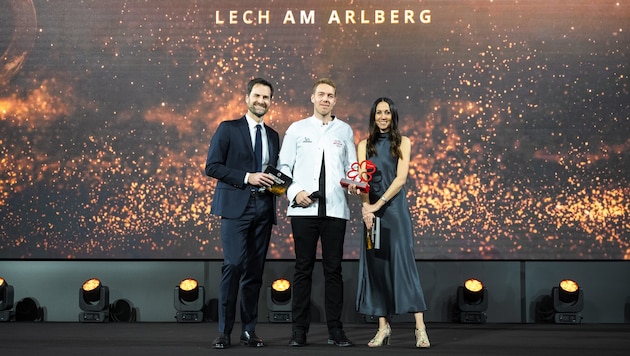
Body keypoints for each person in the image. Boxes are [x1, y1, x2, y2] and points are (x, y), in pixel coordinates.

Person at [277, 78, 357, 347]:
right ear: (312, 98)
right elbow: (284, 166)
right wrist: (294, 192)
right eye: (321, 94)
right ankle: (299, 330)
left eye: (330, 95)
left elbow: (352, 169)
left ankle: (336, 330)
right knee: (303, 270)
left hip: (335, 211)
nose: (325, 99)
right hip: (303, 211)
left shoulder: (344, 131)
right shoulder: (297, 129)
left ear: (335, 100)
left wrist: (356, 184)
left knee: (334, 271)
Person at [205, 77, 280, 349]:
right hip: (236, 208)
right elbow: (211, 167)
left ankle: (248, 331)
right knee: (234, 265)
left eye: (266, 97)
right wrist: (248, 177)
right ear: (247, 98)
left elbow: (274, 173)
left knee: (254, 272)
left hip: (263, 208)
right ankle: (224, 332)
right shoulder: (228, 129)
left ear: (271, 102)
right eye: (257, 96)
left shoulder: (273, 135)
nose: (261, 101)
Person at [354, 97, 430, 348]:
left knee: (403, 265)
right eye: (379, 113)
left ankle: (420, 329)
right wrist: (366, 207)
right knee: (377, 268)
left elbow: (400, 179)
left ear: (393, 115)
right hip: (371, 214)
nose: (383, 117)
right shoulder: (364, 145)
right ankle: (383, 328)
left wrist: (377, 205)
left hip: (395, 212)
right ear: (373, 116)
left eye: (387, 112)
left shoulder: (403, 142)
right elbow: (362, 179)